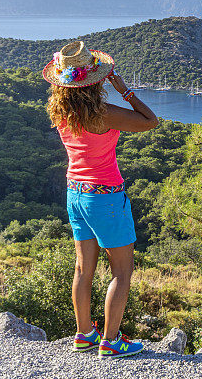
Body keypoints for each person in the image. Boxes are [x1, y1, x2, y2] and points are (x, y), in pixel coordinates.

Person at [43, 41, 158, 358]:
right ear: (96, 82)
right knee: (122, 273)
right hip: (106, 198)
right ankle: (111, 341)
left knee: (83, 270)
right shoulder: (103, 114)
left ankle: (84, 335)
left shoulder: (61, 114)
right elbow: (151, 122)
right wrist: (125, 91)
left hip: (75, 195)